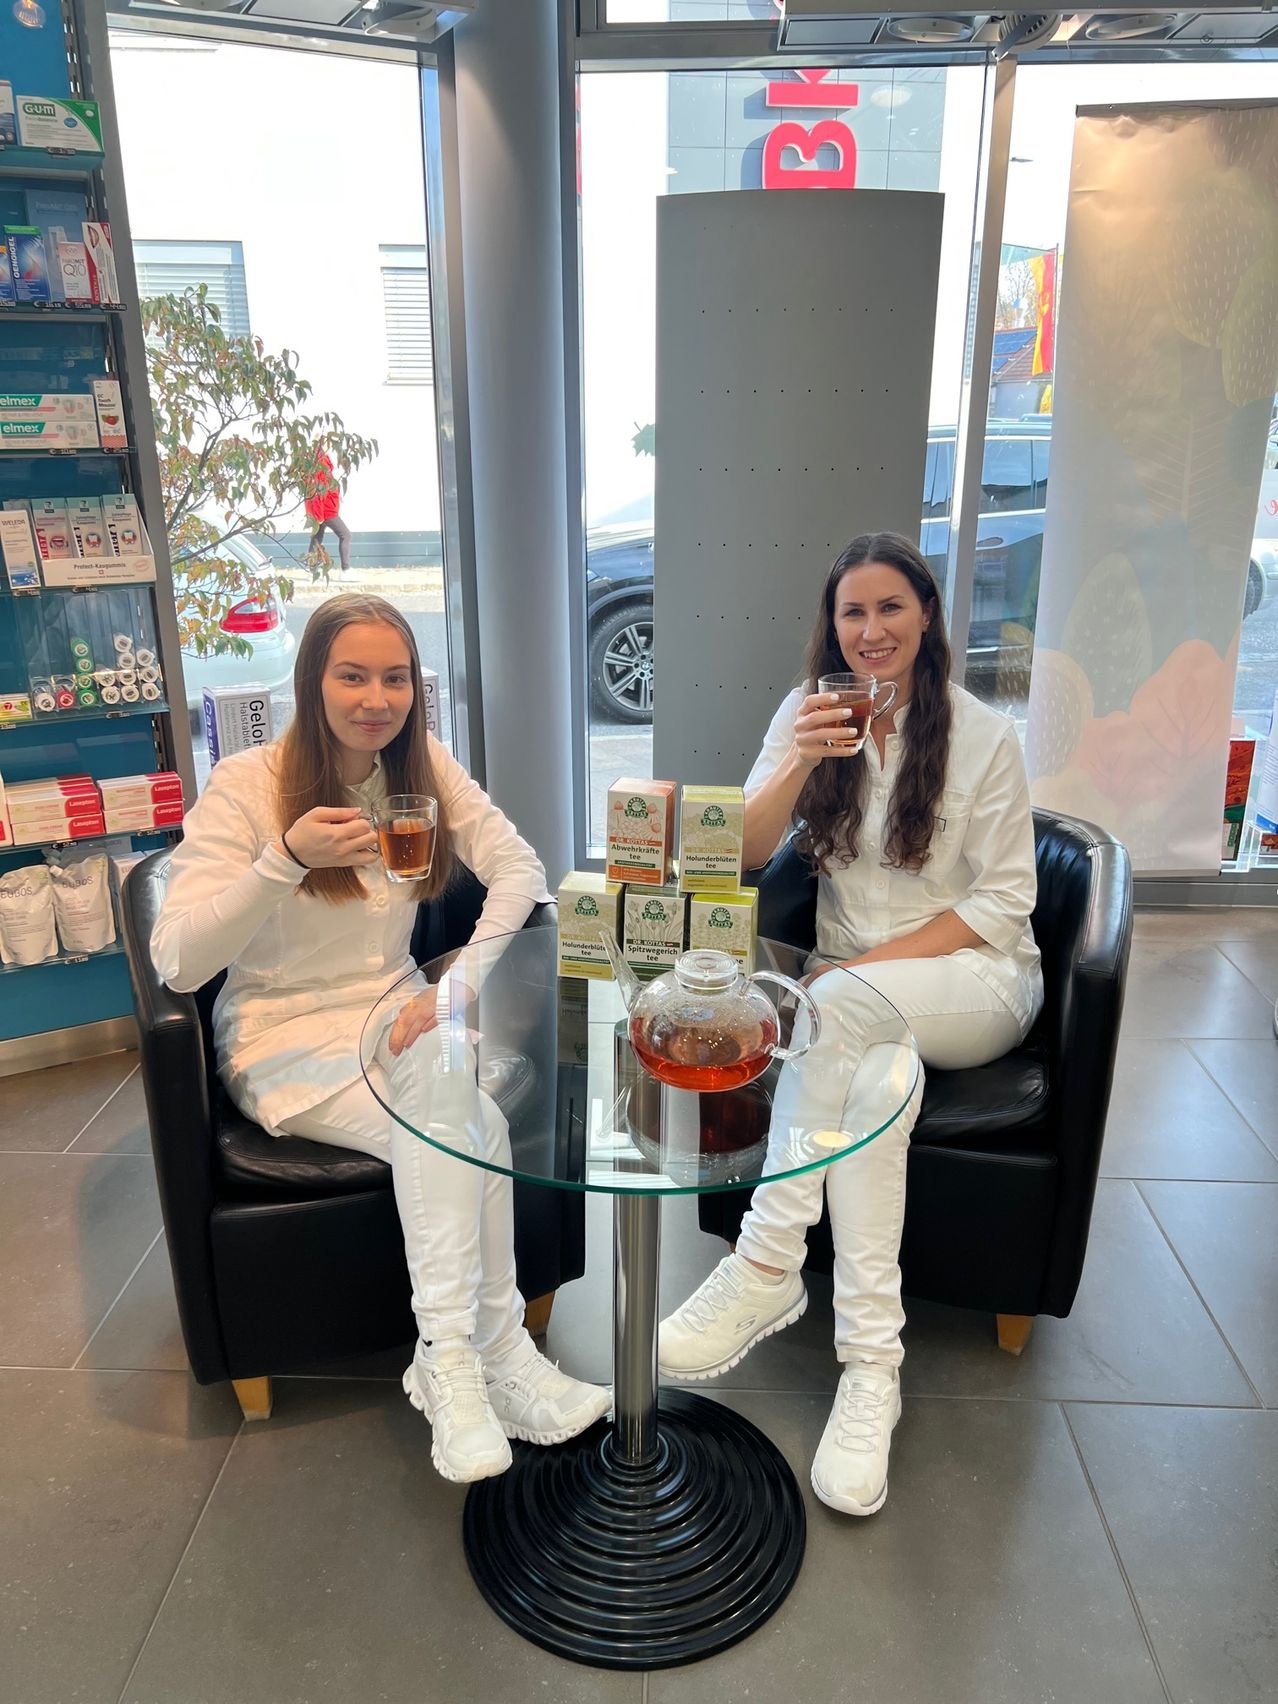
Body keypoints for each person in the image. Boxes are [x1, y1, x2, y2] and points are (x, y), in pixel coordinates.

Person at [152, 593, 610, 1482]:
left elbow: (518, 867)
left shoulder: (421, 769)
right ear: (312, 679)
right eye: (352, 675)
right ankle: (484, 1354)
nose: (376, 698)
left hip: (402, 1010)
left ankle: (462, 1363)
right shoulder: (248, 785)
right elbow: (177, 961)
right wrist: (283, 860)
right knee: (466, 1123)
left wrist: (457, 986)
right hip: (283, 1034)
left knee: (452, 1096)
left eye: (395, 678)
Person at [658, 532, 1044, 1518]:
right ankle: (873, 1371)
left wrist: (854, 976)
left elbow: (1002, 904)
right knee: (876, 1091)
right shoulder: (808, 711)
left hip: (977, 981)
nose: (871, 631)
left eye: (891, 609)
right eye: (852, 613)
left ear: (926, 618)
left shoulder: (984, 736)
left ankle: (767, 1259)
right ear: (830, 627)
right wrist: (799, 759)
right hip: (859, 1013)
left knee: (834, 1006)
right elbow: (740, 847)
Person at [305, 445, 353, 574]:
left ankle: (311, 570)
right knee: (346, 535)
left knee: (316, 539)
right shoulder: (320, 463)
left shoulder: (317, 461)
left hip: (322, 511)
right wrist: (319, 516)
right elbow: (318, 492)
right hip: (326, 511)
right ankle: (345, 570)